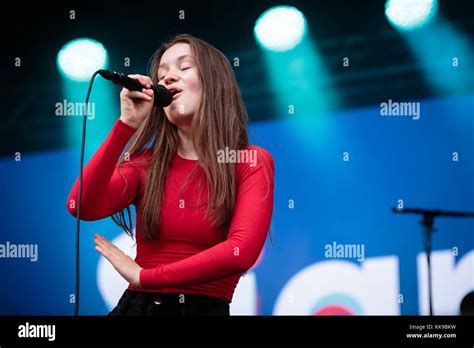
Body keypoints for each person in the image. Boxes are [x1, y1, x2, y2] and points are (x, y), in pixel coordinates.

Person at [66, 34, 274, 316]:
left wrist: (147, 278)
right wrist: (125, 126)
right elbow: (80, 205)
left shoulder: (248, 161)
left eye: (184, 67)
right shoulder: (145, 165)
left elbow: (241, 251)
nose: (167, 78)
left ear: (215, 83)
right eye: (161, 75)